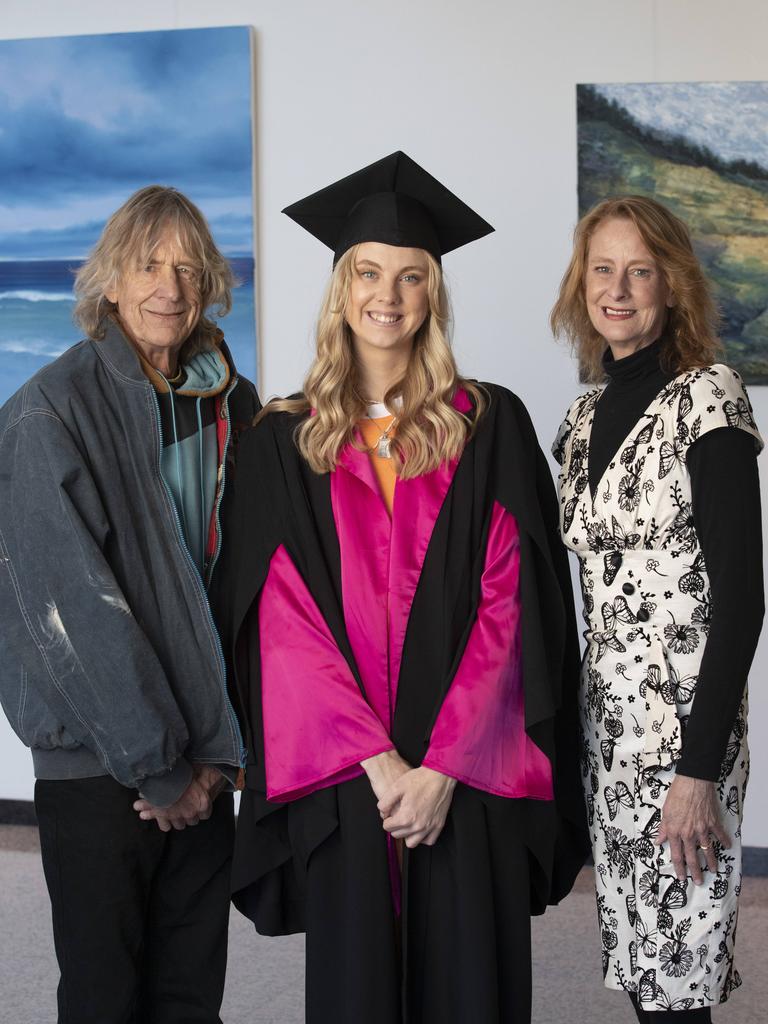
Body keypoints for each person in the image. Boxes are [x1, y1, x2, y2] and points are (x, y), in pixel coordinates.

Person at [211, 151, 589, 1024]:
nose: (389, 294)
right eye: (370, 273)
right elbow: (280, 616)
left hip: (467, 772)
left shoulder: (487, 424)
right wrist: (378, 764)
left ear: (433, 295)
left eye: (411, 276)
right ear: (343, 287)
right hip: (351, 780)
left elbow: (515, 602)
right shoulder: (284, 439)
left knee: (471, 988)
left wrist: (445, 767)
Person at [0, 185, 260, 1023]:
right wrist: (159, 767)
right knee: (107, 997)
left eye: (189, 266)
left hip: (208, 760)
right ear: (109, 281)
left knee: (190, 995)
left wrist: (220, 757)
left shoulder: (235, 407)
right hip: (101, 767)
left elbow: (253, 587)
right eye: (148, 264)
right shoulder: (49, 411)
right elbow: (69, 612)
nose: (170, 286)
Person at [550, 195, 763, 1021]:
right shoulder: (578, 422)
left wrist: (699, 770)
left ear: (672, 285)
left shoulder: (709, 399)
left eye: (640, 270)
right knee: (645, 968)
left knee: (682, 975)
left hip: (684, 739)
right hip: (607, 734)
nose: (619, 289)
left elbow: (743, 598)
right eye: (603, 269)